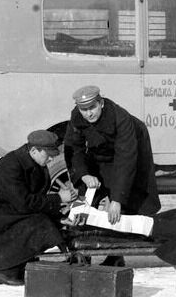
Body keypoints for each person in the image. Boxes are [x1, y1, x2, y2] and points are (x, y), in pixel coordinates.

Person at [0, 130, 78, 285]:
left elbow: (36, 201)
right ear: (34, 150)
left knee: (45, 223)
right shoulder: (10, 166)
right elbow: (24, 203)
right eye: (48, 154)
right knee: (40, 225)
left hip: (6, 217)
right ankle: (3, 271)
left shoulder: (35, 164)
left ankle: (8, 264)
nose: (51, 159)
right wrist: (59, 198)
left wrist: (59, 218)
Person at [65, 85, 161, 267]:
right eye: (83, 110)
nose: (88, 114)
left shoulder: (120, 118)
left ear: (101, 103)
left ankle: (116, 255)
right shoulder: (77, 117)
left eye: (92, 108)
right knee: (84, 199)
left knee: (122, 208)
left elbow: (125, 162)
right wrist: (84, 174)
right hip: (100, 154)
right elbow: (73, 150)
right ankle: (82, 252)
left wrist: (117, 199)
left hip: (131, 151)